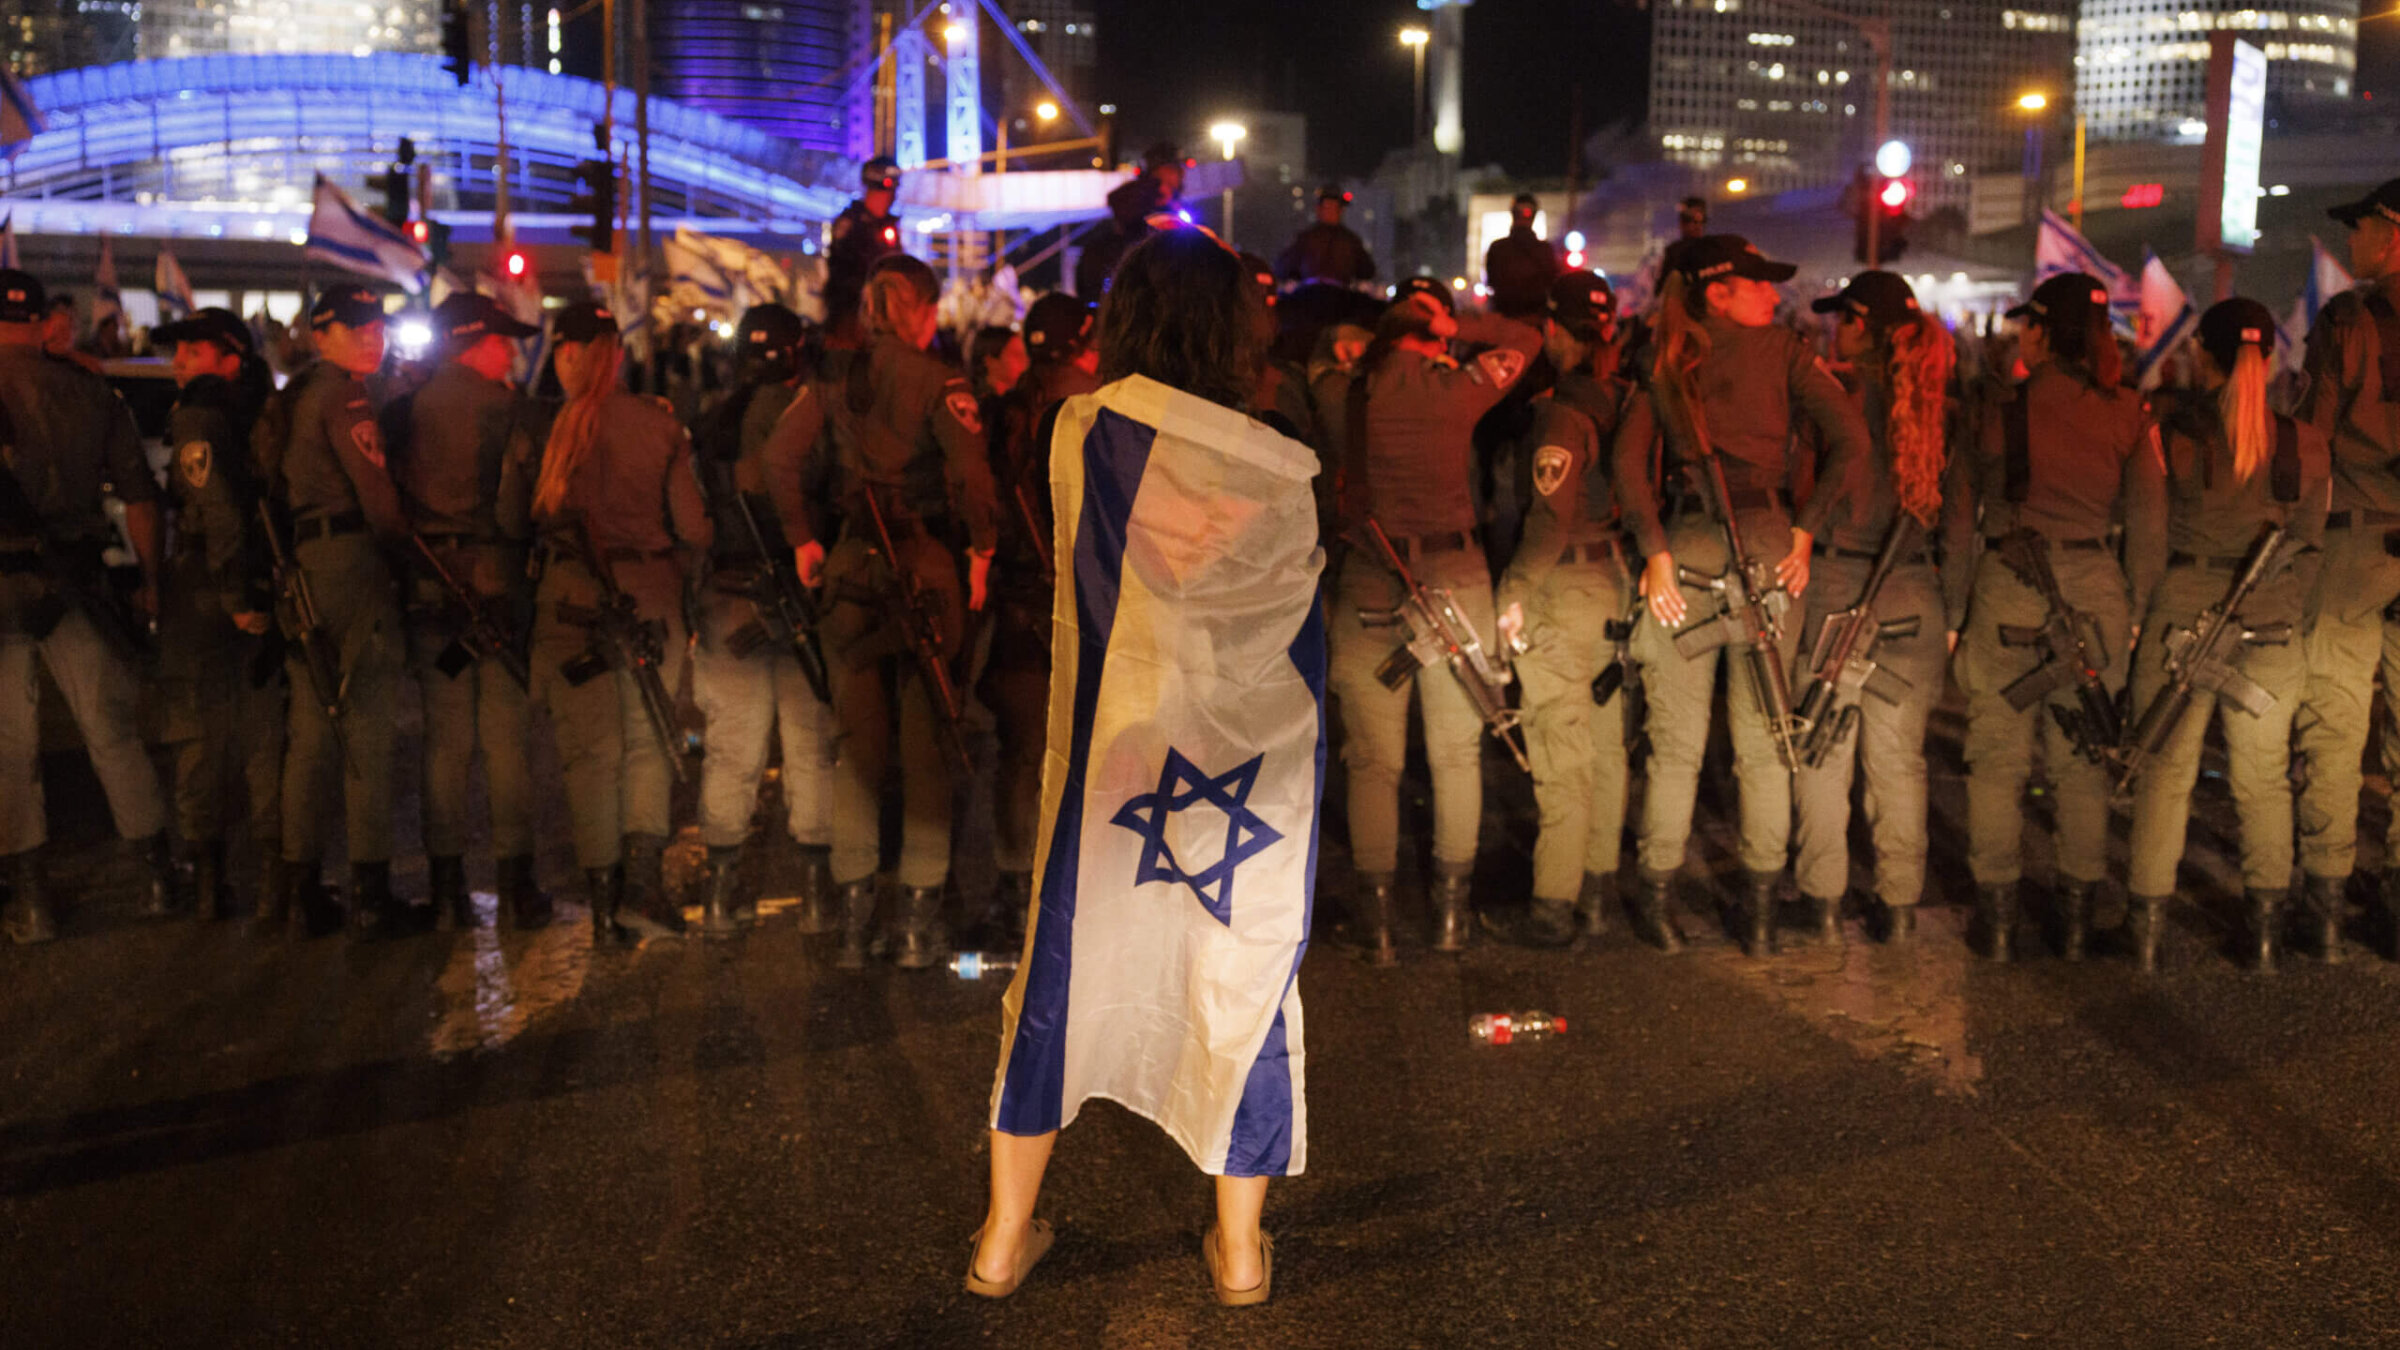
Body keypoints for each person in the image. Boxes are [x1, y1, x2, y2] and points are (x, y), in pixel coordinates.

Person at [973, 225, 1323, 1308]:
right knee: (1244, 972)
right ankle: (1240, 1254)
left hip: (1117, 756)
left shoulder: (1085, 431)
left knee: (1066, 971)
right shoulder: (1281, 462)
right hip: (1243, 765)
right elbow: (1287, 622)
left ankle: (1001, 1238)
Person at [1613, 236, 1870, 957]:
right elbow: (1851, 441)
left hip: (1687, 551)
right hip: (1767, 548)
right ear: (1717, 292)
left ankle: (1658, 903)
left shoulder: (1663, 358)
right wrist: (1806, 531)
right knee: (1764, 745)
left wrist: (1654, 550)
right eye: (1758, 284)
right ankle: (1758, 912)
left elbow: (1627, 463)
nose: (1774, 295)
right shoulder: (1785, 353)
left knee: (1675, 749)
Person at [765, 254, 996, 969]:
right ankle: (917, 925)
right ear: (923, 309)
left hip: (852, 570)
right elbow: (972, 477)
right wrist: (982, 551)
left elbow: (778, 458)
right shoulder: (941, 380)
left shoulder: (832, 377)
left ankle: (857, 924)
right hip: (922, 563)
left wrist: (804, 540)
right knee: (927, 746)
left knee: (858, 752)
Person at [1315, 277, 1542, 959]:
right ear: (1435, 330)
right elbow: (1525, 340)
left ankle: (1378, 921)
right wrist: (1456, 330)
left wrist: (1386, 339)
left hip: (1372, 581)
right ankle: (1450, 915)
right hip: (1456, 580)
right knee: (1454, 754)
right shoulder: (1455, 387)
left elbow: (1315, 361)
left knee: (1374, 763)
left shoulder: (1345, 390)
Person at [1953, 272, 2165, 961]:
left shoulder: (1997, 407)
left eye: (2027, 326)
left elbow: (1960, 518)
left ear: (2040, 332)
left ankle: (1999, 917)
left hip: (2008, 587)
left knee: (1996, 760)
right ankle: (2076, 918)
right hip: (2095, 589)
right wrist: (2133, 610)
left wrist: (1957, 609)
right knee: (2081, 763)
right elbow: (2148, 525)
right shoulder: (2129, 412)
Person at [2125, 298, 2328, 973]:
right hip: (2270, 620)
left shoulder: (2166, 434)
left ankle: (2147, 931)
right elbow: (2307, 543)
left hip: (2181, 606)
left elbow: (2147, 551)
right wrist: (2279, 606)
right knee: (2265, 781)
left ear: (2203, 356)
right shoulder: (2307, 443)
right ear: (2269, 358)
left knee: (2166, 774)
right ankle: (2266, 930)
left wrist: (2137, 622)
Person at [502, 300, 711, 944]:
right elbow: (696, 528)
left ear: (563, 356)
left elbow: (512, 524)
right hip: (647, 595)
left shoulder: (538, 429)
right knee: (650, 743)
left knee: (592, 757)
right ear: (614, 354)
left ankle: (600, 903)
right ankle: (642, 889)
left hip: (569, 601)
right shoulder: (657, 426)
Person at [1790, 273, 1969, 946]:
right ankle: (1897, 902)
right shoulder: (1942, 410)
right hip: (1915, 593)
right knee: (1899, 764)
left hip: (1838, 583)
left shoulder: (1831, 402)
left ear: (1860, 326)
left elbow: (1805, 492)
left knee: (1823, 751)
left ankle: (1823, 899)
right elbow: (1959, 524)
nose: (1836, 328)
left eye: (1844, 319)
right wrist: (1951, 615)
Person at [0, 269, 171, 943]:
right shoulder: (90, 391)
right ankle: (160, 876)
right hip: (75, 582)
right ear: (44, 321)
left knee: (10, 749)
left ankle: (34, 903)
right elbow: (140, 497)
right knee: (112, 733)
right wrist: (150, 579)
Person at [388, 292, 549, 930]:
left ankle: (448, 890)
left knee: (445, 744)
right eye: (503, 341)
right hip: (500, 585)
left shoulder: (403, 414)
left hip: (433, 588)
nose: (512, 352)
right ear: (474, 342)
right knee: (507, 742)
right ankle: (515, 885)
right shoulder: (516, 412)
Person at [264, 286, 412, 939]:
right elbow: (377, 497)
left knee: (310, 732)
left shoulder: (293, 394)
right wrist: (404, 554)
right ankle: (372, 892)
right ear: (323, 335)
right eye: (356, 328)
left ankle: (299, 891)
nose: (372, 337)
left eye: (377, 325)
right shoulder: (345, 395)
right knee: (367, 729)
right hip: (350, 562)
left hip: (302, 566)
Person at [1490, 270, 1633, 948]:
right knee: (1605, 747)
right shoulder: (1620, 397)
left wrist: (1512, 590)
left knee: (1561, 748)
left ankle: (1553, 906)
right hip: (1609, 583)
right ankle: (1598, 891)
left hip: (1561, 588)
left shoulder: (1559, 412)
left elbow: (1548, 520)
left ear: (1554, 332)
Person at [689, 303, 836, 936]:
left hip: (730, 597)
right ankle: (816, 893)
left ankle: (722, 892)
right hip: (803, 595)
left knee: (730, 749)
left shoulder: (710, 423)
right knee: (812, 746)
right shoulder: (814, 419)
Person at [2294, 177, 2400, 960]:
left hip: (2360, 538)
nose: (2352, 242)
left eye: (2360, 228)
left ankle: (2325, 895)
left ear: (2391, 232)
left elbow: (2312, 437)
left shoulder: (2349, 319)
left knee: (2334, 722)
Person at [151, 306, 281, 924]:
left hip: (211, 592)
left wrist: (232, 599)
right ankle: (269, 882)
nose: (179, 363)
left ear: (230, 360)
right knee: (259, 736)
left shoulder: (199, 413)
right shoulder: (256, 409)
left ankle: (210, 886)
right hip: (249, 587)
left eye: (193, 352)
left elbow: (220, 511)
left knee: (203, 737)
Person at [977, 292, 1100, 945]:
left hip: (1019, 603)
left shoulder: (1002, 413)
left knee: (1021, 754)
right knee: (1091, 751)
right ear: (1083, 343)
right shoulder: (1100, 408)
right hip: (1089, 601)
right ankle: (1080, 893)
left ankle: (1013, 888)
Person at [1074, 143, 1186, 300]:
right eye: (1176, 170)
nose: (1182, 175)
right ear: (1161, 170)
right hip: (1141, 268)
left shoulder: (1174, 200)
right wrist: (1154, 187)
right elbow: (1116, 202)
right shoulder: (1141, 192)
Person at [825, 156, 906, 345]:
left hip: (882, 319)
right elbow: (839, 272)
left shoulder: (889, 226)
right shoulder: (851, 223)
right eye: (887, 192)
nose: (891, 198)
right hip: (849, 318)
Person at [1276, 184, 1376, 289]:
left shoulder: (1350, 241)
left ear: (1341, 210)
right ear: (1318, 209)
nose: (1330, 211)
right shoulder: (1306, 238)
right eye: (1327, 207)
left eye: (1333, 207)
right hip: (1314, 294)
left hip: (1334, 295)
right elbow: (1283, 268)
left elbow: (1367, 270)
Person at [1483, 193, 1561, 322]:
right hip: (1536, 321)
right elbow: (1553, 282)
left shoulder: (1497, 248)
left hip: (1504, 320)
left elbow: (1491, 281)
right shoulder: (1545, 250)